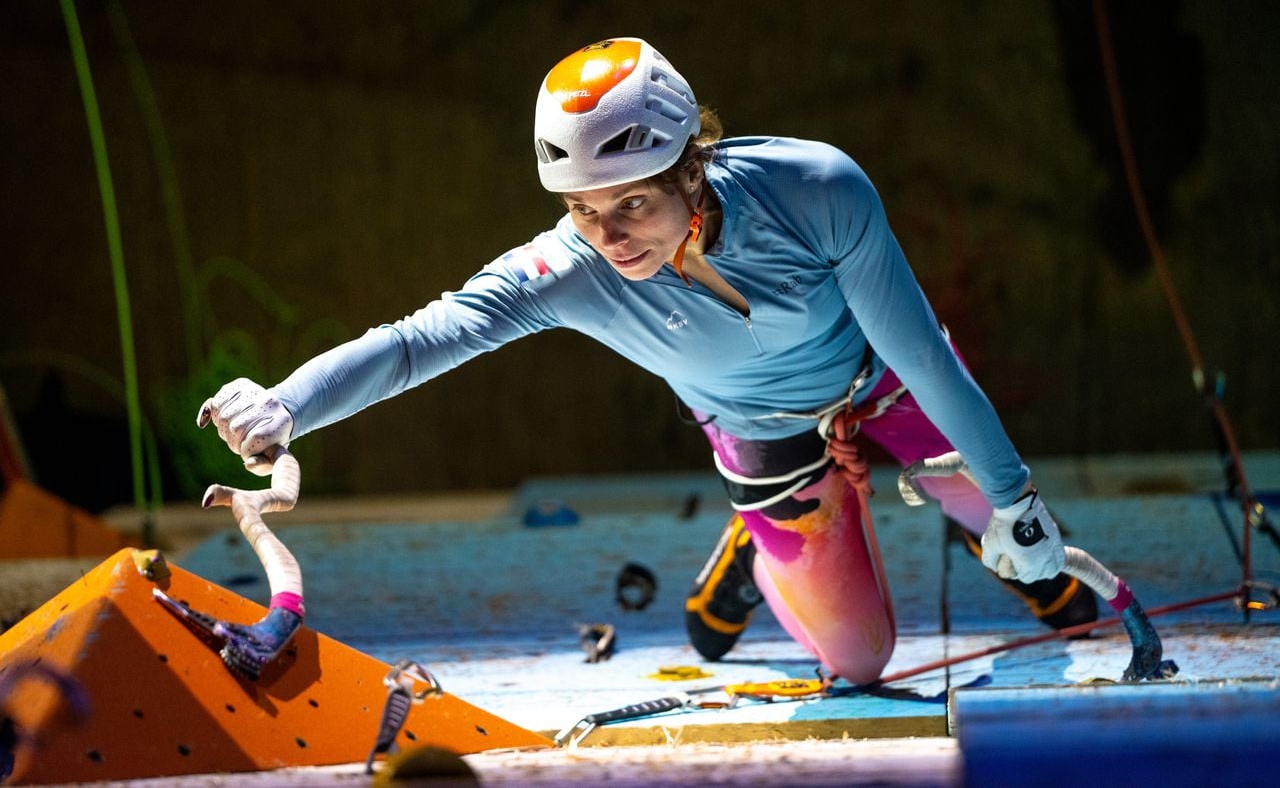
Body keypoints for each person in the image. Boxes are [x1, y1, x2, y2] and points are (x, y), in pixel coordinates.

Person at [199, 37, 1096, 685]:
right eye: (583, 209)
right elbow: (414, 341)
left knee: (1057, 578)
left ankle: (965, 518)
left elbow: (924, 360)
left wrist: (1013, 496)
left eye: (631, 202)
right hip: (762, 433)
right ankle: (752, 543)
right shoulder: (563, 269)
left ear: (691, 170)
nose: (609, 235)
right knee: (861, 660)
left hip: (885, 380)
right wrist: (288, 404)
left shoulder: (816, 190)